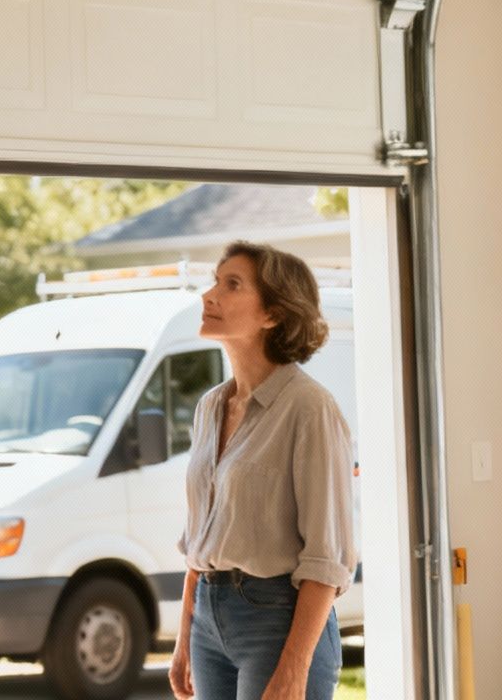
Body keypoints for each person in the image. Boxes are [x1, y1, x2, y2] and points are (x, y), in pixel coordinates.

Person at [170, 241, 357, 700]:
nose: (209, 295)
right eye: (215, 281)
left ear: (272, 314)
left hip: (277, 621)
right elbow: (199, 540)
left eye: (231, 285)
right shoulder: (210, 407)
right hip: (208, 620)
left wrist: (294, 669)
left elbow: (326, 560)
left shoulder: (310, 409)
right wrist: (184, 639)